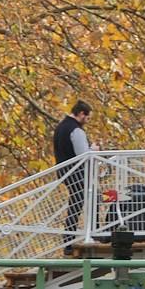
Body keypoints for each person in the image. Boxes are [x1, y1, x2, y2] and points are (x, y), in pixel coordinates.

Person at [53, 101, 94, 237]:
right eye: (87, 118)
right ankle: (93, 233)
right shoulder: (75, 129)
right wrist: (93, 150)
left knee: (77, 202)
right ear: (82, 114)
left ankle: (71, 235)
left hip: (65, 171)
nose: (87, 122)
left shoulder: (60, 127)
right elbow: (83, 154)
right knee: (93, 198)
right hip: (77, 173)